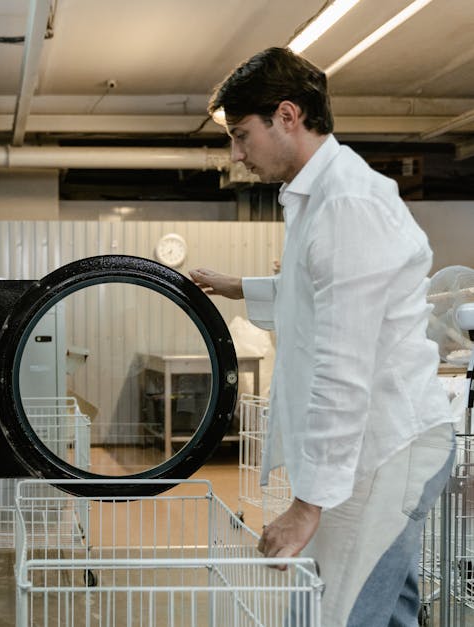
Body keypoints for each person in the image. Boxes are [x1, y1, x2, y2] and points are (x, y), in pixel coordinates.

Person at [192, 47, 455, 626]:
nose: (237, 154)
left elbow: (345, 364)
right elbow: (318, 293)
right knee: (386, 610)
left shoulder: (347, 203)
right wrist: (239, 286)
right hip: (380, 446)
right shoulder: (320, 196)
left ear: (287, 116)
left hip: (385, 450)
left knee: (331, 614)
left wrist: (307, 507)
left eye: (241, 135)